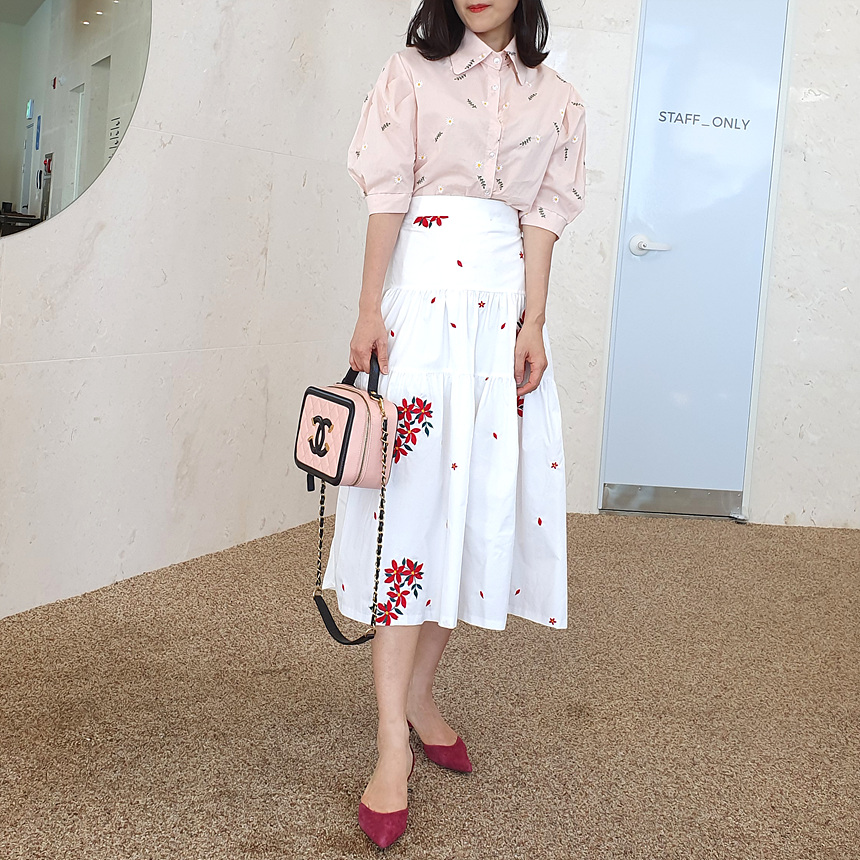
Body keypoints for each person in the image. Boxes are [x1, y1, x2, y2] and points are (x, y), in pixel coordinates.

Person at [321, 0, 586, 847]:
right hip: (424, 311)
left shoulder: (558, 97)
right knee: (411, 518)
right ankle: (390, 743)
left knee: (467, 516)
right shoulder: (410, 73)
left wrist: (535, 321)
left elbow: (543, 219)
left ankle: (421, 694)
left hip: (500, 320)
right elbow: (387, 197)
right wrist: (369, 309)